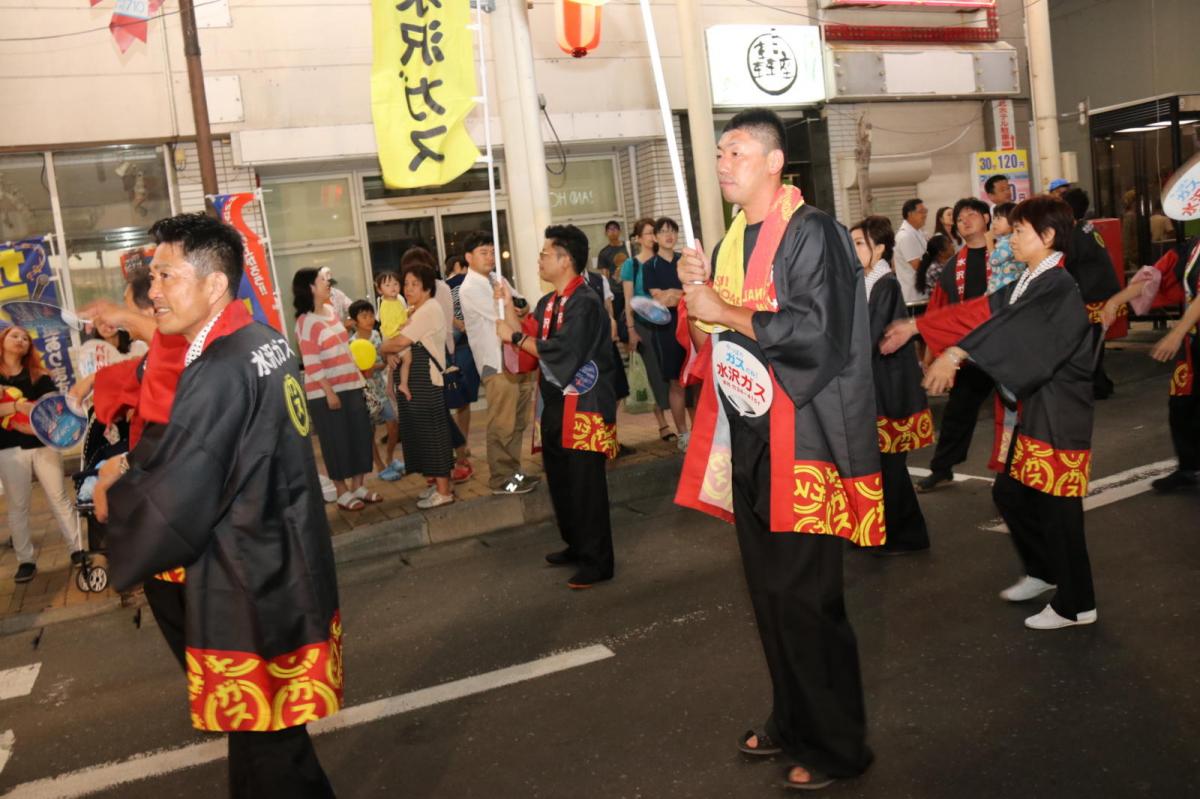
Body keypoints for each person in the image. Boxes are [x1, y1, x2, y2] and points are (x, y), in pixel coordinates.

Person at [92, 213, 342, 797]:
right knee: (262, 736)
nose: (153, 290)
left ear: (213, 283)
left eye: (166, 275)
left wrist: (120, 527)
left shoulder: (222, 367)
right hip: (280, 556)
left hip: (243, 576)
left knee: (273, 746)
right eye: (151, 277)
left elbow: (186, 482)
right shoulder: (262, 341)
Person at [675, 109, 882, 791]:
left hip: (805, 443)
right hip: (753, 443)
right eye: (718, 152)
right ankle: (793, 718)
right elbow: (720, 331)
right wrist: (697, 290)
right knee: (770, 596)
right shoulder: (738, 235)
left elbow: (814, 333)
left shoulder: (811, 232)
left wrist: (722, 307)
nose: (722, 161)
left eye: (734, 150)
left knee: (808, 601)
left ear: (772, 161)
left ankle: (839, 745)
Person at [883, 195, 1098, 630]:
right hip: (1039, 410)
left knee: (1059, 510)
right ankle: (1044, 572)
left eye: (1019, 230)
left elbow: (1009, 331)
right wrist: (921, 326)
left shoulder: (1055, 284)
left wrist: (955, 355)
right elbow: (983, 312)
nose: (1011, 236)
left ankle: (1077, 604)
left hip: (1058, 413)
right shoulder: (1030, 280)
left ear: (1049, 236)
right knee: (1012, 494)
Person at [496, 224, 619, 589]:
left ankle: (599, 561)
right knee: (562, 482)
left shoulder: (585, 302)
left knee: (586, 486)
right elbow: (531, 342)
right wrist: (507, 308)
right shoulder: (549, 303)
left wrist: (516, 336)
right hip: (553, 405)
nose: (540, 260)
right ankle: (577, 545)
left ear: (566, 260)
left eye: (545, 254)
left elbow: (561, 351)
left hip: (585, 407)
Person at [851, 216, 931, 554]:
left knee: (891, 470)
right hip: (875, 389)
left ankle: (908, 535)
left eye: (858, 243)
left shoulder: (885, 285)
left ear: (879, 248)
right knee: (878, 468)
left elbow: (870, 338)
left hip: (890, 392)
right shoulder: (865, 281)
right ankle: (877, 532)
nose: (852, 249)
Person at [1101, 233, 1200, 491]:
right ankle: (1189, 468)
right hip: (1194, 342)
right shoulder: (1192, 247)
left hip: (1188, 335)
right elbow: (1155, 276)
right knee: (1182, 403)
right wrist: (1115, 301)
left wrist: (1176, 333)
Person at [916, 198, 995, 493]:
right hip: (970, 352)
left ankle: (1018, 472)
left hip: (1005, 348)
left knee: (1019, 412)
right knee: (957, 411)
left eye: (972, 215)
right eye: (960, 218)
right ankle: (941, 468)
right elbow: (938, 312)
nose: (964, 221)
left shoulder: (1005, 256)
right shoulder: (953, 267)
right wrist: (929, 352)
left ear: (987, 219)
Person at [0, 325, 84, 583]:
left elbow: (54, 411)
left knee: (59, 497)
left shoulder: (39, 375)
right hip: (9, 448)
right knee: (18, 505)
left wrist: (32, 425)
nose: (21, 340)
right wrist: (17, 405)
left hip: (44, 444)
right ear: (2, 341)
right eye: (15, 336)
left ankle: (78, 550)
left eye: (25, 338)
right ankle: (26, 561)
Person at [457, 231, 539, 495]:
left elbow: (522, 305)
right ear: (468, 257)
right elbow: (502, 316)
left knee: (517, 422)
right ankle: (500, 478)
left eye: (492, 251)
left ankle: (514, 474)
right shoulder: (469, 287)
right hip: (496, 362)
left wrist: (515, 304)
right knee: (502, 422)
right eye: (484, 252)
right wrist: (511, 305)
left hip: (518, 359)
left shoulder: (497, 278)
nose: (490, 256)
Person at [294, 267, 379, 511]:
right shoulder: (305, 322)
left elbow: (344, 348)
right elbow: (311, 362)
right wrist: (328, 391)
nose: (328, 283)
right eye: (323, 280)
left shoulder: (331, 311)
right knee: (336, 441)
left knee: (360, 435)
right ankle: (342, 491)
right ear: (310, 287)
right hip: (326, 392)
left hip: (351, 384)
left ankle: (359, 486)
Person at [382, 262, 458, 508]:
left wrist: (384, 348)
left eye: (415, 284)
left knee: (433, 434)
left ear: (427, 286)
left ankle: (444, 491)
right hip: (416, 381)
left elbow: (399, 341)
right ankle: (437, 485)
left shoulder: (427, 310)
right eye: (406, 284)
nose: (408, 288)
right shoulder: (416, 310)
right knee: (422, 435)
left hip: (426, 381)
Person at [401, 247, 471, 482]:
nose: (409, 283)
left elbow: (438, 320)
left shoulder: (437, 289)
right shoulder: (423, 291)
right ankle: (445, 464)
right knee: (441, 415)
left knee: (445, 412)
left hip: (439, 353)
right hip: (431, 352)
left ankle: (458, 460)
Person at [1062, 187, 1121, 399]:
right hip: (1102, 292)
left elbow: (1066, 262)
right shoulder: (1086, 227)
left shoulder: (1076, 234)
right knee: (1094, 342)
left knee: (1090, 343)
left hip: (1093, 296)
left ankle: (1096, 386)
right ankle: (1100, 383)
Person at [622, 217, 677, 441]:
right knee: (653, 372)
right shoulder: (632, 265)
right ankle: (663, 424)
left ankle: (679, 420)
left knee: (672, 372)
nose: (652, 237)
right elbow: (628, 300)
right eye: (647, 233)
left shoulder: (664, 259)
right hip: (644, 325)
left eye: (653, 232)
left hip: (669, 320)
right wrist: (631, 329)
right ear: (638, 239)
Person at [643, 216, 690, 450]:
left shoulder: (685, 261)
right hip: (666, 330)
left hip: (691, 325)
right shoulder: (649, 266)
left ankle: (703, 430)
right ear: (655, 237)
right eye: (663, 231)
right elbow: (659, 299)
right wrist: (678, 295)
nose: (669, 235)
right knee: (676, 382)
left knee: (697, 379)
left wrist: (675, 294)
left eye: (672, 230)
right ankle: (683, 434)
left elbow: (694, 293)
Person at [349, 299, 398, 472]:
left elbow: (383, 361)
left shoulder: (377, 335)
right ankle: (380, 466)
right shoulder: (352, 343)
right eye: (364, 316)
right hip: (366, 393)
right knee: (369, 431)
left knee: (393, 424)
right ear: (355, 322)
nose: (369, 319)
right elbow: (358, 370)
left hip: (381, 388)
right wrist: (370, 368)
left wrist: (379, 364)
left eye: (371, 315)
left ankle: (390, 457)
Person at [443, 253, 481, 459]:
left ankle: (459, 445)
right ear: (457, 265)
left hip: (453, 347)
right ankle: (461, 444)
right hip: (463, 346)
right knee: (463, 397)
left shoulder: (443, 286)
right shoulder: (453, 285)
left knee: (455, 396)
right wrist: (463, 326)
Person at [375, 269, 407, 480]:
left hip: (402, 335)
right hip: (395, 339)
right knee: (406, 361)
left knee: (408, 360)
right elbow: (388, 327)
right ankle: (400, 384)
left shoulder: (400, 300)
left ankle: (399, 385)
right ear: (380, 289)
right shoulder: (385, 305)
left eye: (395, 283)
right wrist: (404, 327)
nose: (393, 287)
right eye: (388, 285)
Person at [893, 198, 929, 308]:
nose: (925, 215)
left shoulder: (917, 232)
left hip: (921, 293)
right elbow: (917, 265)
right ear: (910, 214)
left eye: (925, 211)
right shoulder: (905, 236)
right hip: (913, 297)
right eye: (921, 212)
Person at [988, 202, 1024, 293]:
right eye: (994, 218)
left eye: (999, 218)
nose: (994, 222)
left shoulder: (1010, 241)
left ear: (1012, 221)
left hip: (1006, 288)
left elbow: (994, 260)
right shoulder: (1003, 240)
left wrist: (988, 241)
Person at [915, 234, 955, 298]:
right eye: (949, 244)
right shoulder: (935, 269)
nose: (952, 245)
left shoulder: (946, 264)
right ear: (941, 252)